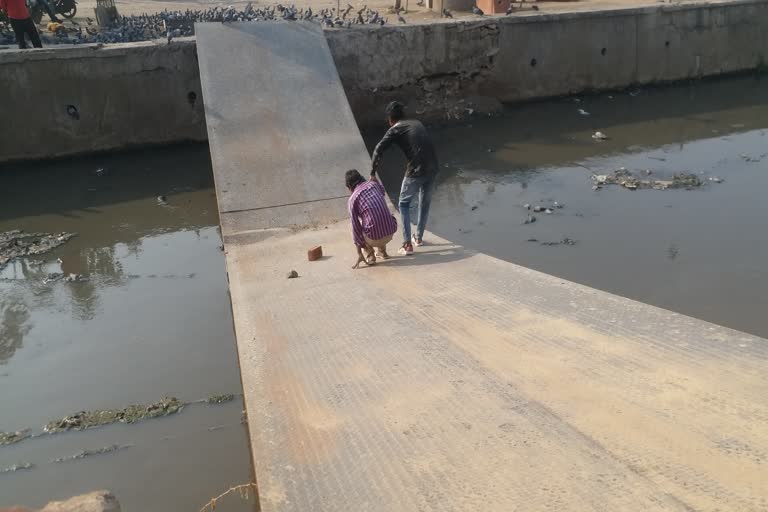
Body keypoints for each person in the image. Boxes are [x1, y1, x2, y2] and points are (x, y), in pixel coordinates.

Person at [370, 101, 439, 256]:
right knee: (424, 202)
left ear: (390, 120)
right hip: (433, 167)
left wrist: (373, 173)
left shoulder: (395, 128)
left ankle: (407, 244)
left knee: (403, 203)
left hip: (417, 169)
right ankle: (419, 238)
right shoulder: (417, 123)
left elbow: (378, 150)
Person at [346, 169, 398, 269]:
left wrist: (359, 252)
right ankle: (382, 252)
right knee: (379, 214)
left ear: (349, 186)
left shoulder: (352, 199)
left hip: (373, 238)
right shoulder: (373, 185)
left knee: (353, 224)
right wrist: (375, 180)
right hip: (390, 232)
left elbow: (355, 227)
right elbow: (382, 192)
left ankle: (370, 255)